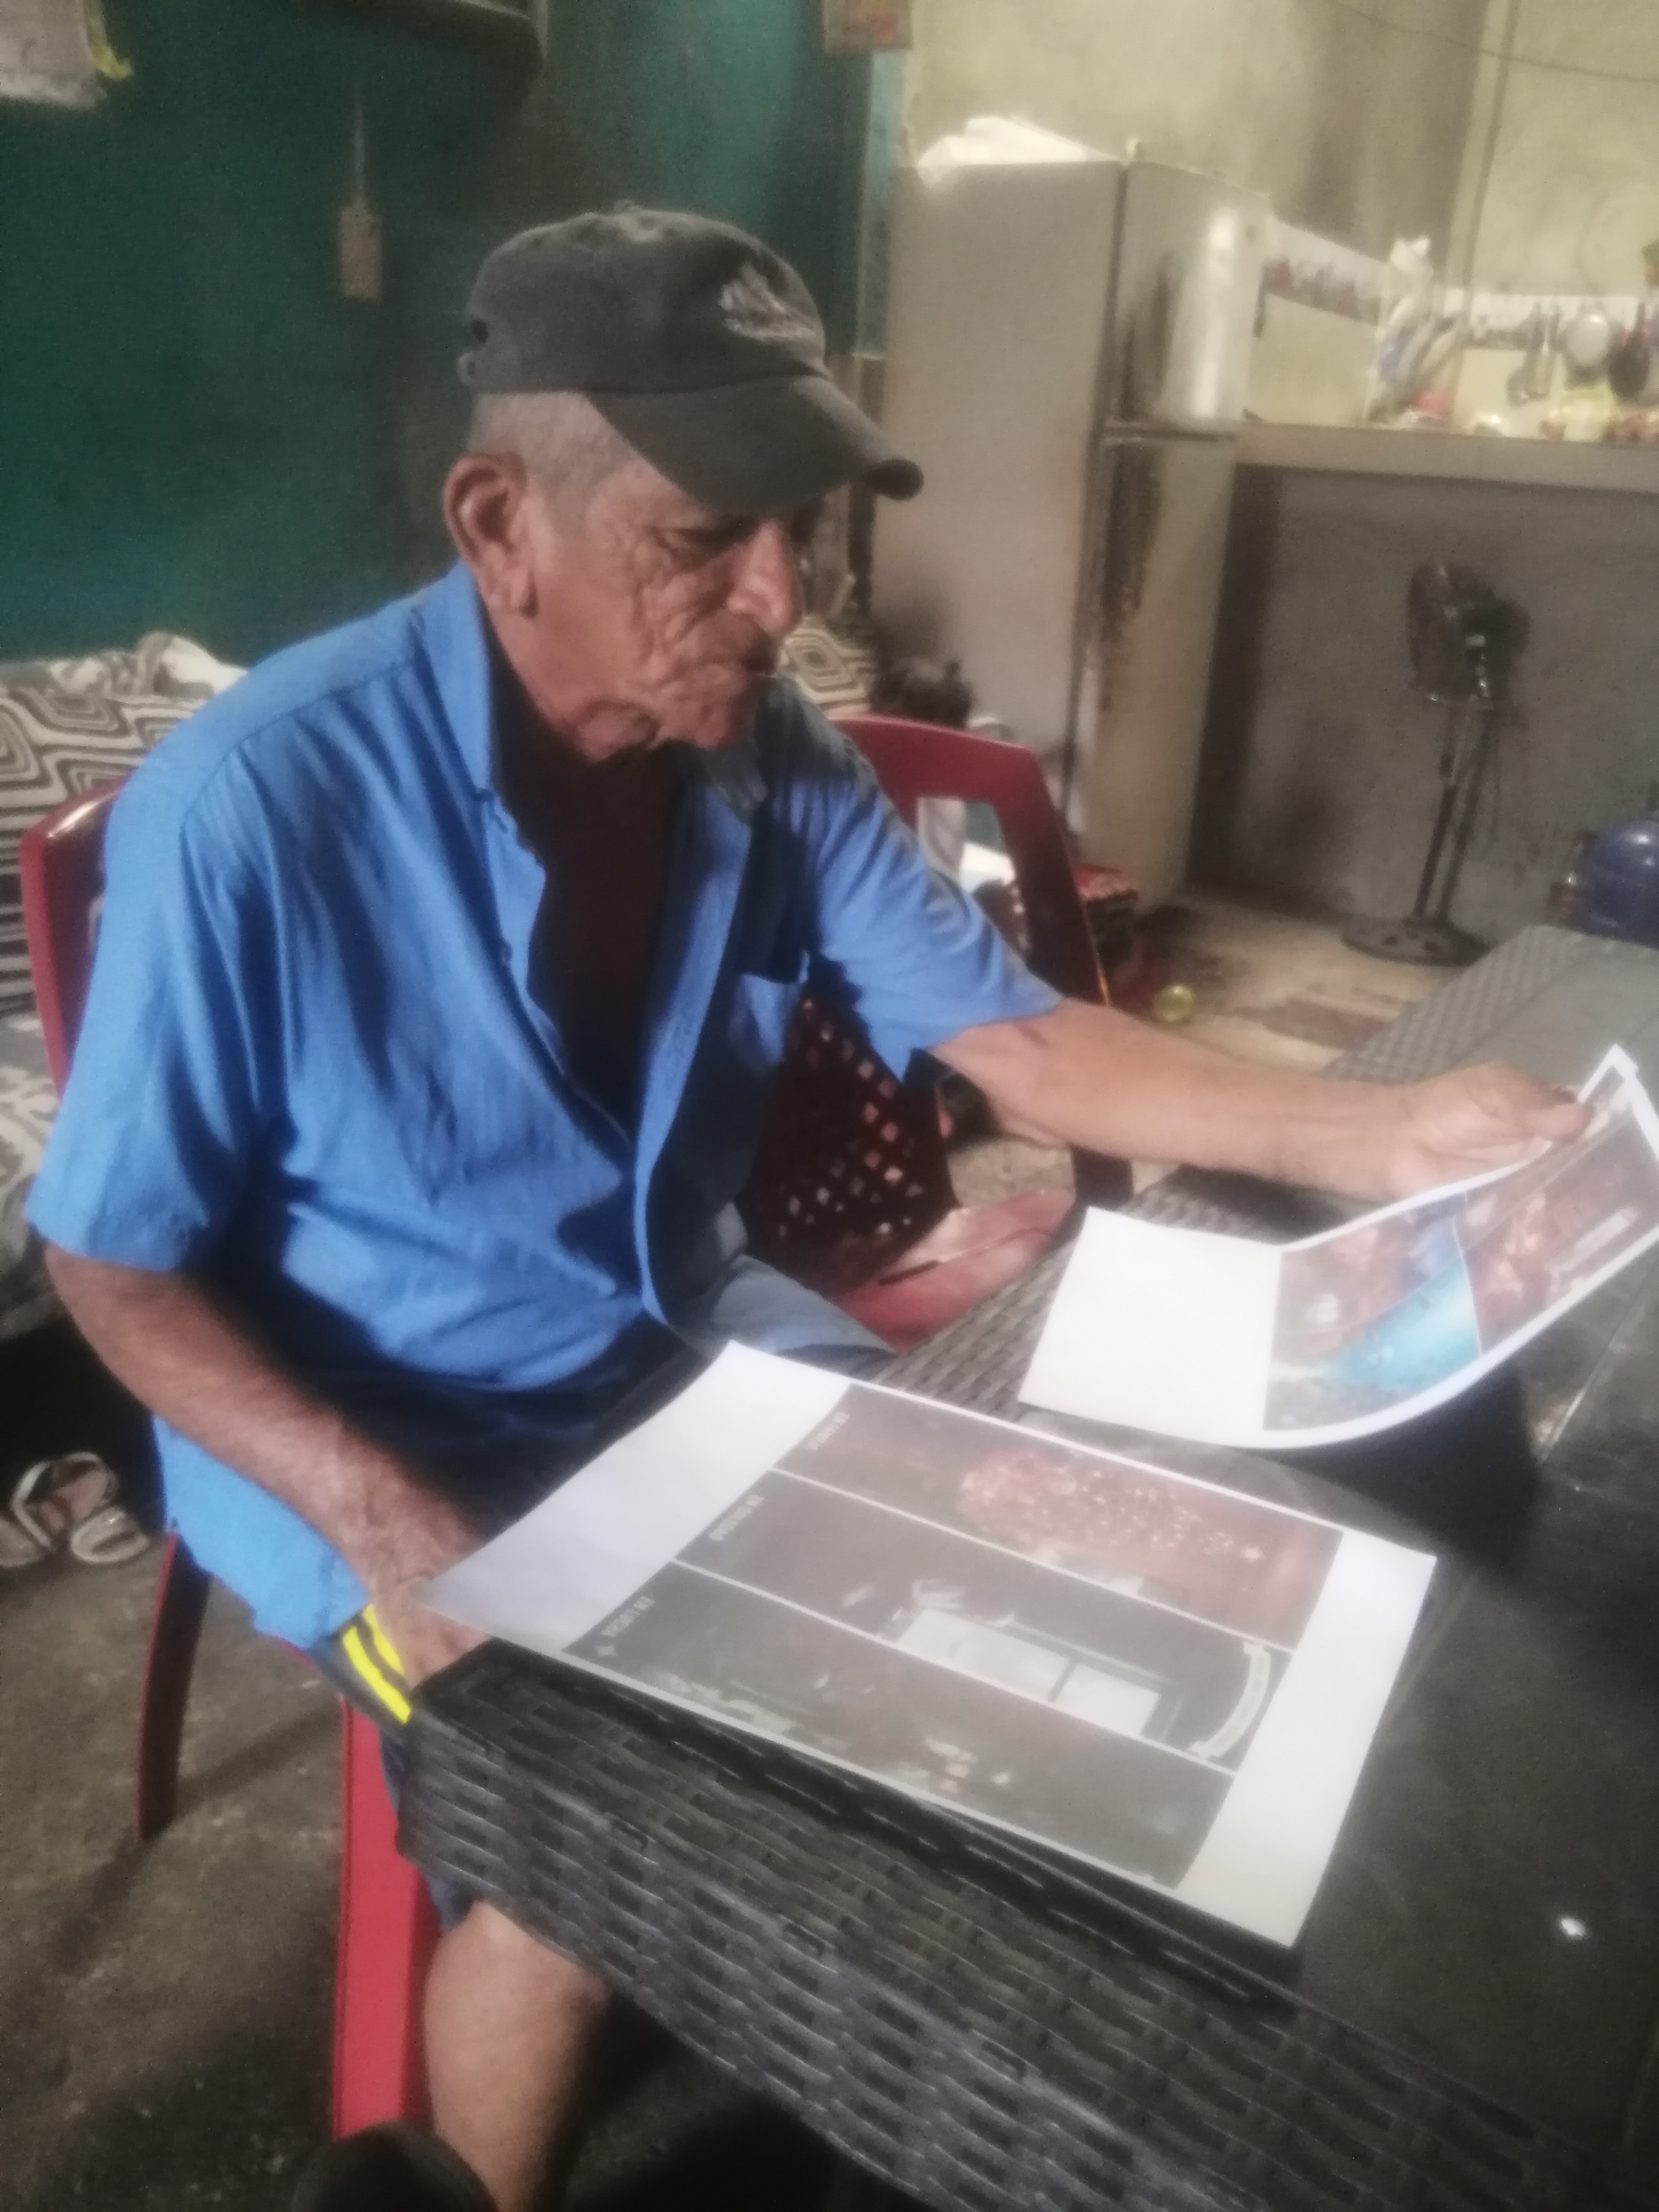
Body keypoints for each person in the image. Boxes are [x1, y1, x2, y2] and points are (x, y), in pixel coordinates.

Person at [27, 209, 1585, 2212]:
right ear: (501, 526)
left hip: (683, 1344)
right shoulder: (257, 809)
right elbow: (109, 1259)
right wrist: (386, 1516)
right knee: (595, 1829)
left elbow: (1021, 1041)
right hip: (388, 1431)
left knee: (1034, 1598)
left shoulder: (766, 762)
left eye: (808, 531)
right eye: (708, 538)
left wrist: (1387, 1134)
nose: (782, 601)